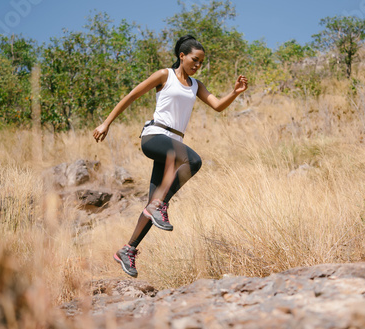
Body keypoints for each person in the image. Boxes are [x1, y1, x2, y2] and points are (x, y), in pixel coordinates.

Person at [92, 35, 248, 277]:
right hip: (155, 137)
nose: (197, 65)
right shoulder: (164, 75)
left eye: (201, 62)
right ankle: (160, 205)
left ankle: (128, 249)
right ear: (182, 56)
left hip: (173, 144)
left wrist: (235, 92)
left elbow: (217, 106)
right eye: (194, 60)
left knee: (152, 202)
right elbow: (132, 95)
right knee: (193, 161)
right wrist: (106, 123)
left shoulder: (196, 85)